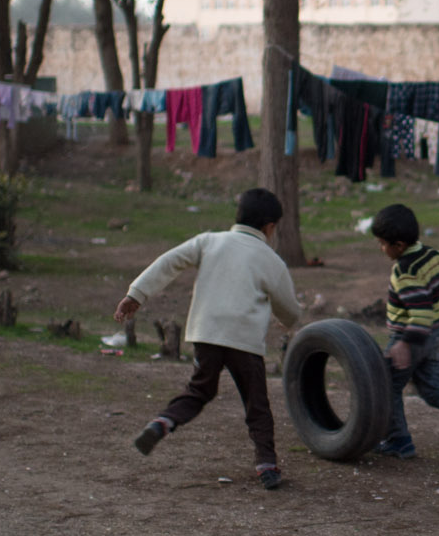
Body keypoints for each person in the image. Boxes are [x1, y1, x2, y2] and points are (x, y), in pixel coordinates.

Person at [115, 188, 302, 489]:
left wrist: (136, 294)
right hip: (244, 342)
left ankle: (164, 421)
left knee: (200, 390)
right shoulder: (271, 260)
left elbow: (168, 262)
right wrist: (289, 321)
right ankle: (266, 464)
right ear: (270, 227)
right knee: (257, 403)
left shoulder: (209, 241)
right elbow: (289, 308)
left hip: (206, 334)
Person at [369, 203, 439, 459]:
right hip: (436, 337)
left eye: (382, 243)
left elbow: (420, 314)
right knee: (434, 390)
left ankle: (399, 441)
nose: (380, 248)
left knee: (387, 386)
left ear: (399, 245)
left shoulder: (405, 272)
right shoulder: (433, 254)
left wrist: (404, 343)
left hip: (411, 338)